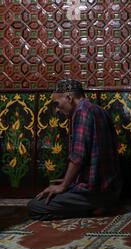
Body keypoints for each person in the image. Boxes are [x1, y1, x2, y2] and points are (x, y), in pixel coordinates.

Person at [27, 79, 122, 220]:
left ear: (69, 98)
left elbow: (78, 156)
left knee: (35, 207)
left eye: (57, 104)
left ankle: (94, 208)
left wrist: (63, 186)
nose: (57, 110)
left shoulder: (82, 112)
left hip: (93, 192)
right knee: (56, 187)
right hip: (111, 189)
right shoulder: (100, 110)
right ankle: (101, 205)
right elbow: (116, 147)